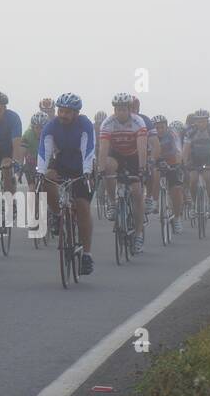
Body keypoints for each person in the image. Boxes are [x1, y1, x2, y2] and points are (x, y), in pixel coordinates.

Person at [39, 93, 96, 275]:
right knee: (47, 178)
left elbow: (88, 149)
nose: (63, 115)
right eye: (60, 111)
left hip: (82, 165)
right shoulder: (51, 125)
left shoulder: (85, 124)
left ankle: (87, 254)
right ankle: (57, 214)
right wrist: (39, 172)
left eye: (67, 112)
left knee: (82, 207)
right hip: (63, 161)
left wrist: (87, 172)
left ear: (76, 113)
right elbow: (44, 150)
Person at [98, 93, 148, 253]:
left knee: (137, 193)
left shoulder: (137, 122)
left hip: (133, 155)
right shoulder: (108, 123)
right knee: (108, 166)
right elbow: (103, 149)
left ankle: (139, 233)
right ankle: (113, 203)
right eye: (118, 109)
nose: (121, 112)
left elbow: (142, 148)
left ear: (129, 109)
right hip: (116, 154)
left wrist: (142, 169)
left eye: (124, 109)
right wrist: (100, 170)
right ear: (114, 110)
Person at [0, 91, 22, 243]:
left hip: (7, 151)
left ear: (5, 108)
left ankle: (10, 201)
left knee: (7, 170)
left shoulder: (13, 118)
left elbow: (17, 143)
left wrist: (15, 161)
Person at [182, 108, 210, 219]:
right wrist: (184, 164)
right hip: (194, 158)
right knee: (193, 180)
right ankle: (194, 205)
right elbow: (185, 149)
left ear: (207, 121)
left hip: (208, 157)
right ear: (195, 121)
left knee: (208, 178)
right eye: (198, 121)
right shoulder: (190, 131)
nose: (201, 123)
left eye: (203, 121)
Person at [151, 114, 184, 233]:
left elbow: (179, 150)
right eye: (157, 127)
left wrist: (178, 163)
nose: (159, 130)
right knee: (155, 173)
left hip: (172, 162)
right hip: (156, 163)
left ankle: (177, 219)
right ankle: (154, 202)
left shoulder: (172, 134)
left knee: (176, 190)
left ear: (166, 126)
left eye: (162, 127)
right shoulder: (150, 135)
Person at [21, 111, 50, 185]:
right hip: (31, 164)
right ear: (33, 127)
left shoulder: (50, 135)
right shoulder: (27, 135)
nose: (39, 131)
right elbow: (22, 152)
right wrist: (20, 165)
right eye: (37, 128)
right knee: (32, 188)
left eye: (42, 128)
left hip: (46, 164)